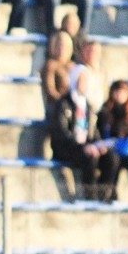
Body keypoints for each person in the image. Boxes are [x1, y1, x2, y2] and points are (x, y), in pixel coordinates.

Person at [48, 63, 110, 200]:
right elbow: (61, 132)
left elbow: (93, 131)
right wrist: (82, 146)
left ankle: (107, 195)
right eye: (82, 80)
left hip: (84, 146)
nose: (85, 84)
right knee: (90, 157)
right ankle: (90, 196)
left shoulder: (87, 105)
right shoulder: (64, 103)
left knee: (111, 157)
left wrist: (99, 145)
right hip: (67, 148)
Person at [96, 80, 128, 202]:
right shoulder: (105, 112)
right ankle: (108, 193)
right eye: (117, 91)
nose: (119, 95)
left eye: (122, 92)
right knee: (112, 160)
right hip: (110, 148)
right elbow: (99, 131)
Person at [40, 29, 73, 119]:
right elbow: (50, 90)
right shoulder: (50, 66)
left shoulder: (72, 66)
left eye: (64, 46)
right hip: (57, 109)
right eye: (58, 45)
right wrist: (64, 103)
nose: (61, 49)